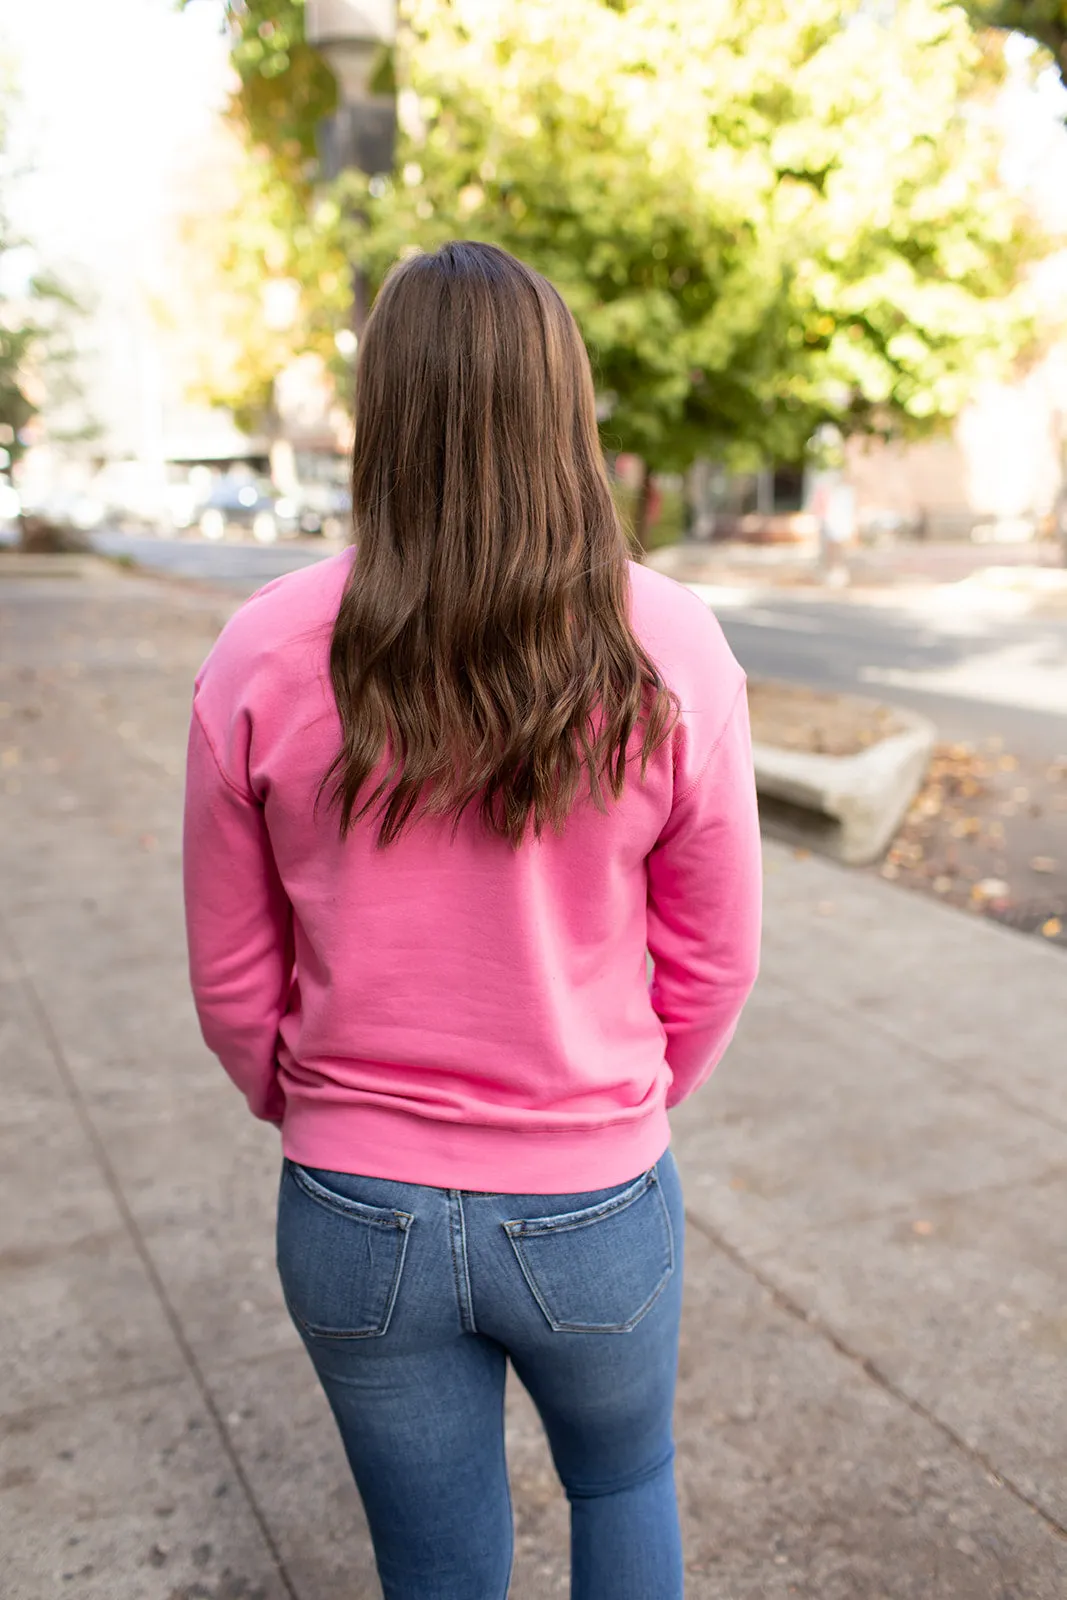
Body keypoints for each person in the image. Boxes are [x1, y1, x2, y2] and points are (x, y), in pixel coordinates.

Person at [183, 241, 762, 1600]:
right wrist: (619, 1096)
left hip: (349, 1204)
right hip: (592, 1191)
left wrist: (326, 1114)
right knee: (623, 1484)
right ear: (562, 406)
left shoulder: (262, 649)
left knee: (432, 1567)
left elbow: (227, 976)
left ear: (383, 415)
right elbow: (716, 953)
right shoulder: (666, 644)